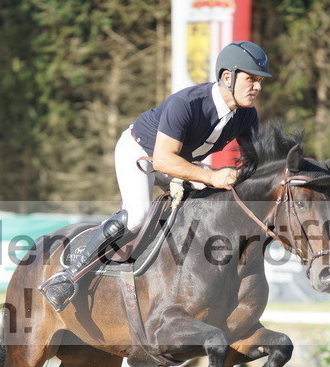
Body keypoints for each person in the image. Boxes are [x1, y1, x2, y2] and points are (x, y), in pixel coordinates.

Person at [39, 41, 272, 312]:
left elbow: (258, 161)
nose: (258, 87)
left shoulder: (246, 115)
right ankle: (68, 276)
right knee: (137, 215)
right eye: (251, 79)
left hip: (180, 162)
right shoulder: (187, 103)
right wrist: (213, 177)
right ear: (228, 77)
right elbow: (163, 160)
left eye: (260, 81)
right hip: (142, 153)